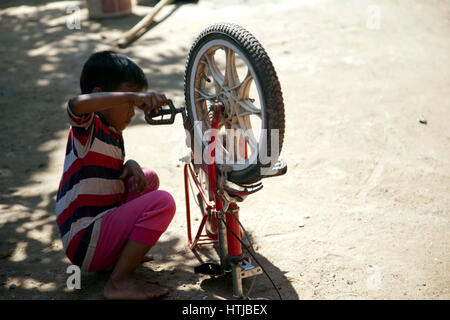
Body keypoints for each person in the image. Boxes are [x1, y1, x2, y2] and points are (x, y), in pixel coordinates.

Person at [55, 51, 176, 300]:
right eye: (128, 103)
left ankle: (118, 260)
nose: (132, 111)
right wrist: (135, 96)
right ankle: (118, 283)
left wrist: (129, 164)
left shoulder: (112, 133)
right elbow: (76, 105)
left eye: (134, 104)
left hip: (99, 234)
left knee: (147, 178)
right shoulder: (87, 127)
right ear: (100, 96)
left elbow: (106, 176)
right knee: (163, 202)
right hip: (85, 239)